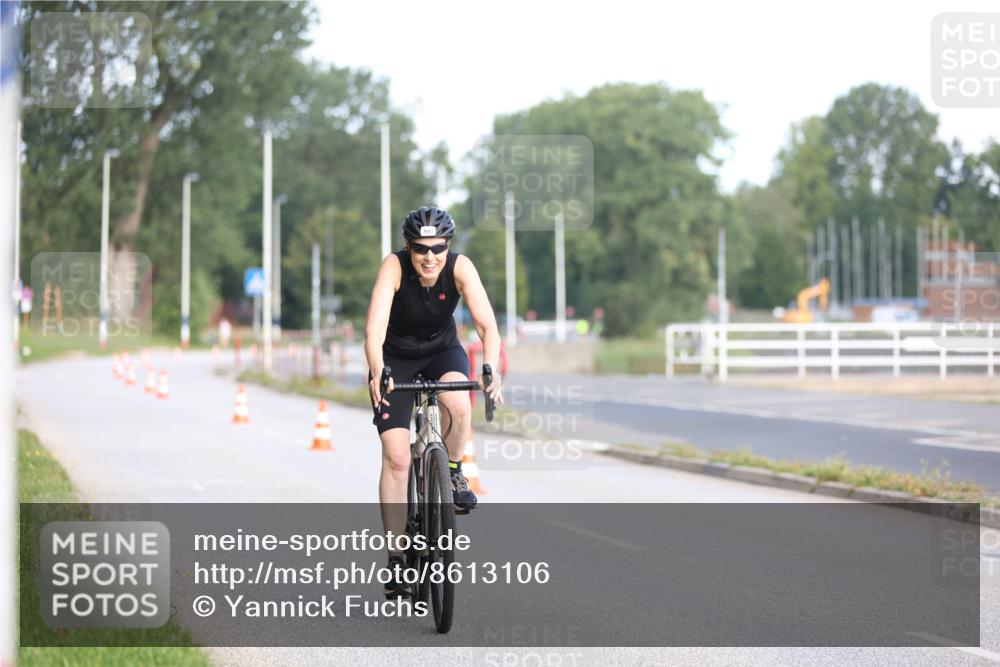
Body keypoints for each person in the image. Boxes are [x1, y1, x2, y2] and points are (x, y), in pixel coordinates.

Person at [365, 206, 503, 596]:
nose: (430, 257)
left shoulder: (460, 268)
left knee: (459, 404)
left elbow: (487, 327)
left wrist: (491, 367)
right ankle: (395, 558)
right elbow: (373, 330)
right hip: (394, 360)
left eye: (438, 248)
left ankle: (454, 469)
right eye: (421, 249)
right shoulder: (392, 267)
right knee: (396, 456)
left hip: (442, 352)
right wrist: (378, 371)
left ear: (448, 247)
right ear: (408, 248)